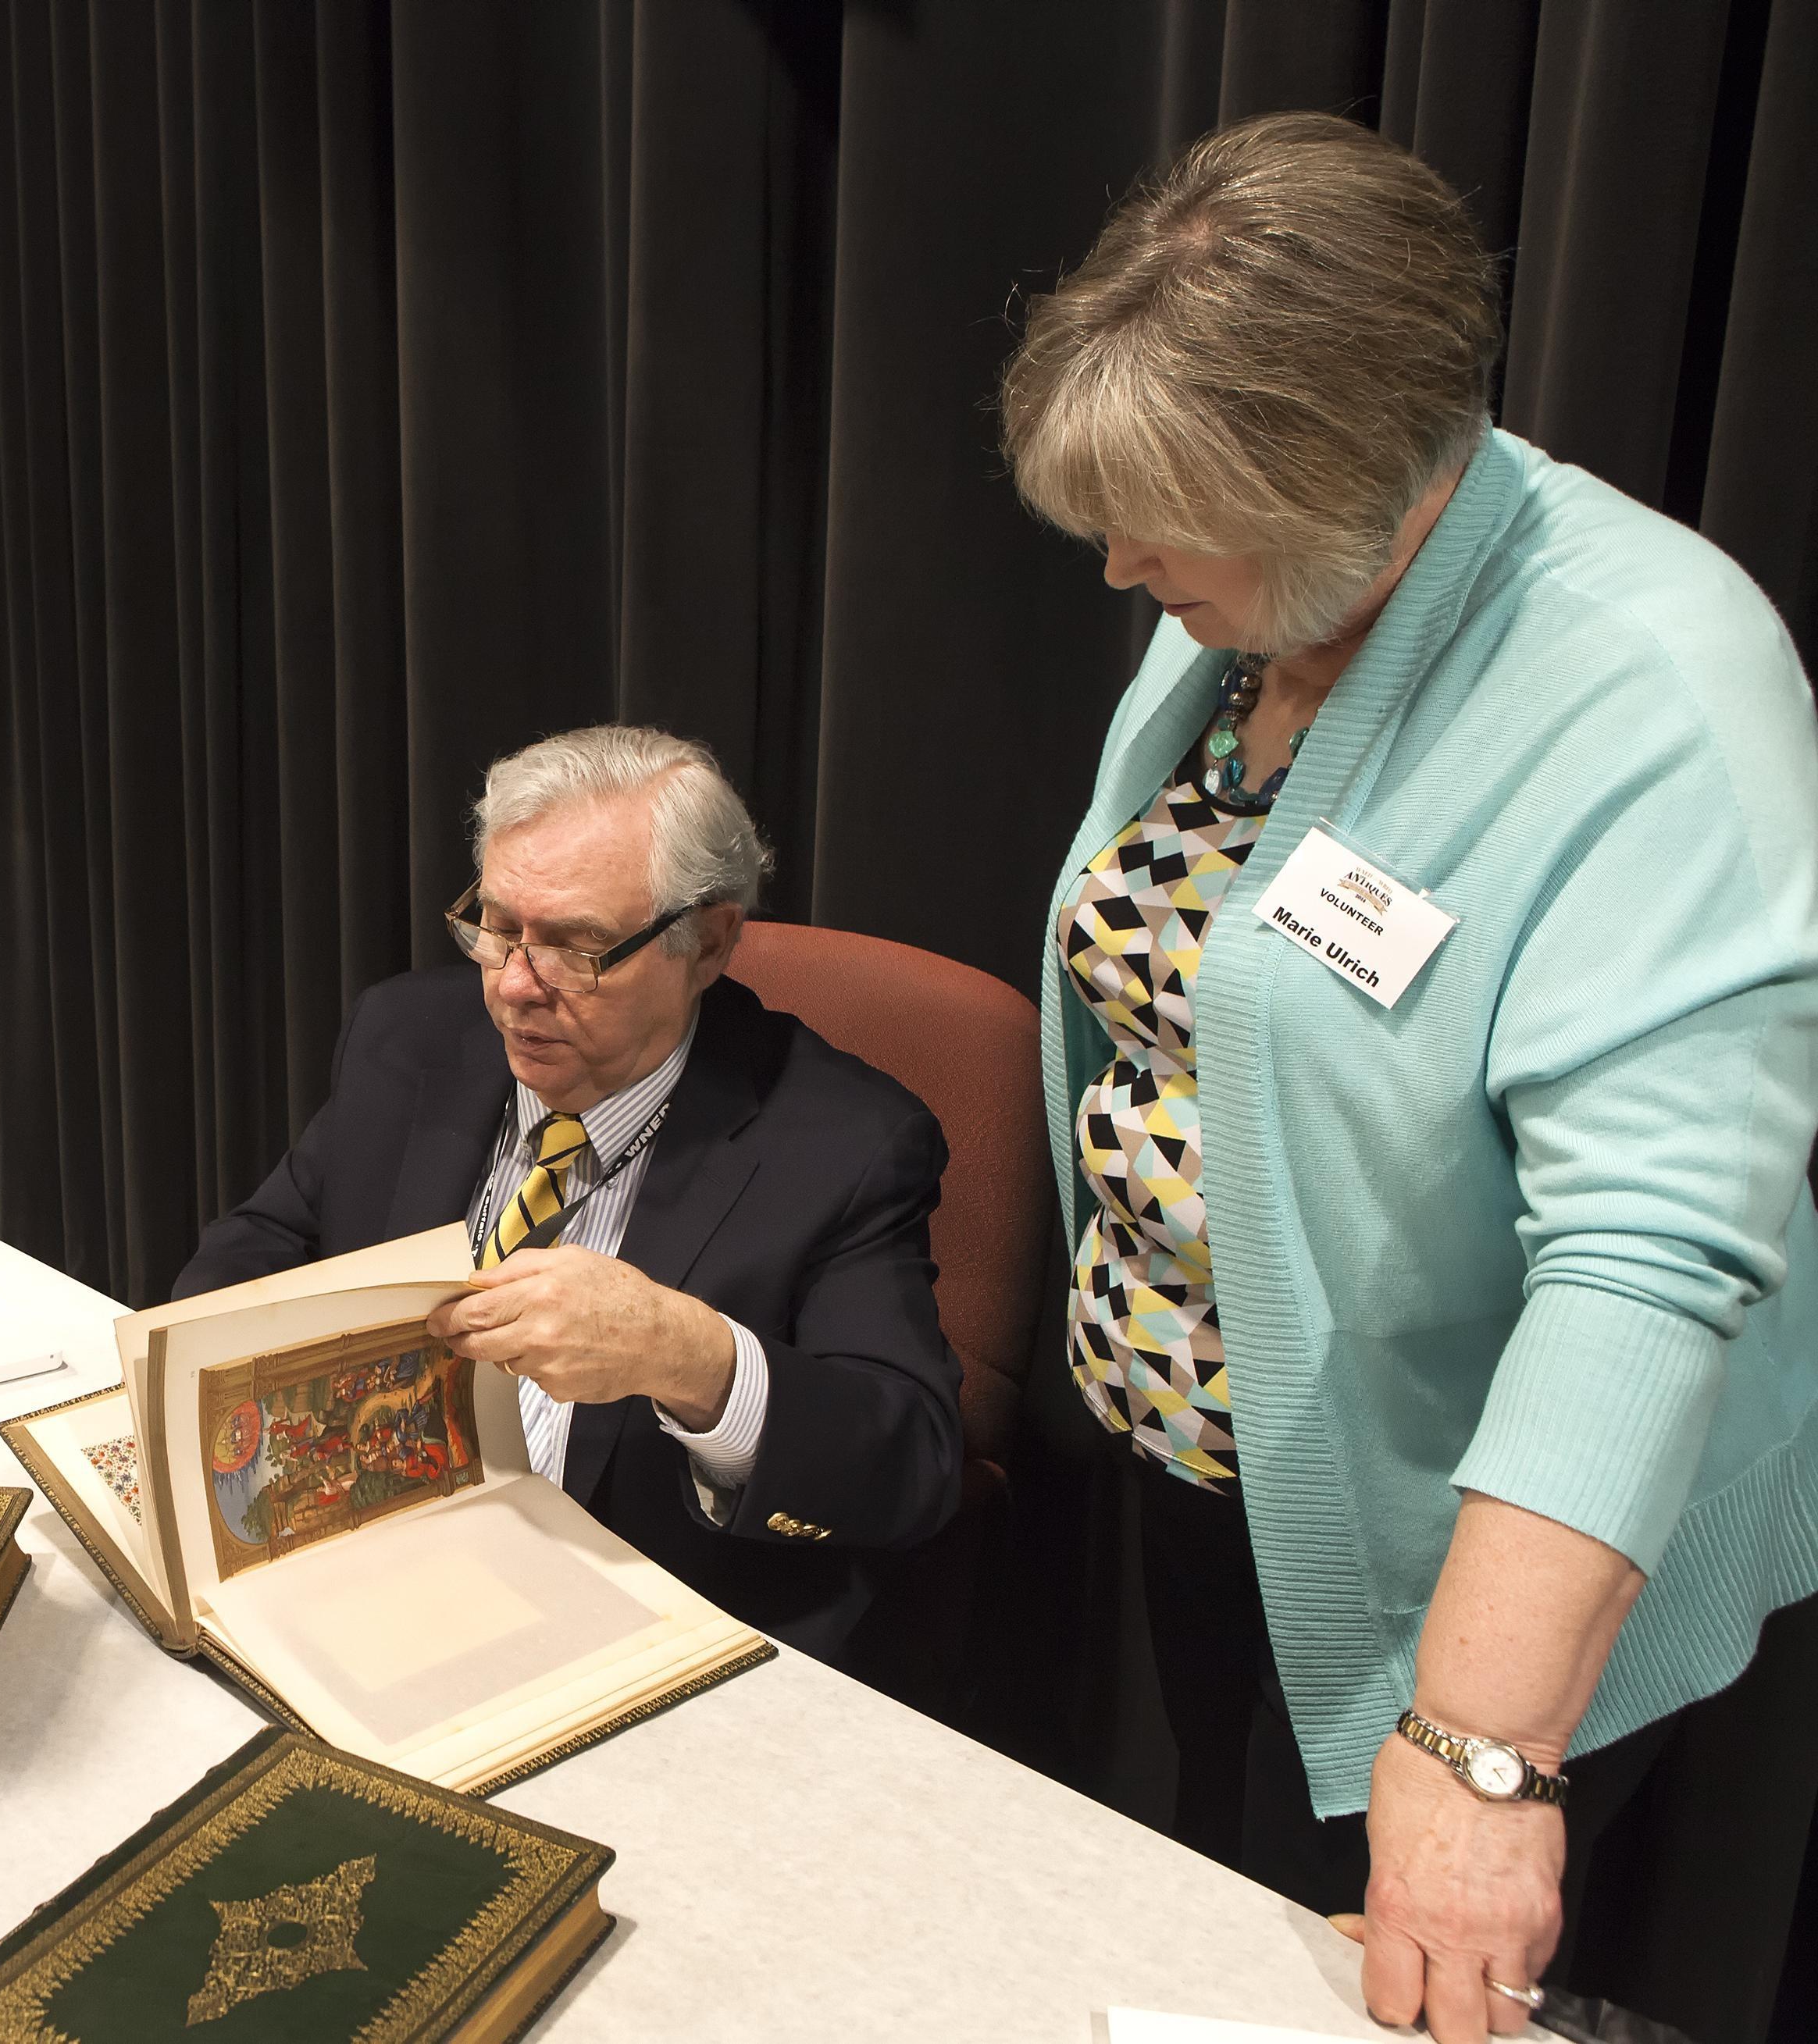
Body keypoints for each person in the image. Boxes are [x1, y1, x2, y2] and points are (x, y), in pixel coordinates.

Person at [1000, 112, 1818, 2044]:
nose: (1121, 565)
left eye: (1165, 521)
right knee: (1234, 1925)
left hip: (1490, 1565)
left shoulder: (1655, 686)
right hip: (1230, 1482)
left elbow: (1642, 1263)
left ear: (1366, 478)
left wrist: (1480, 1750)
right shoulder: (1264, 595)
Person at [175, 727, 964, 1675]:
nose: (513, 986)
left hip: (633, 1624)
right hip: (365, 1570)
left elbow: (911, 1462)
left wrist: (689, 1355)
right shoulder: (407, 1036)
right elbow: (271, 1235)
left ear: (708, 941)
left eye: (578, 947)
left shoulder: (845, 1144)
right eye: (498, 927)